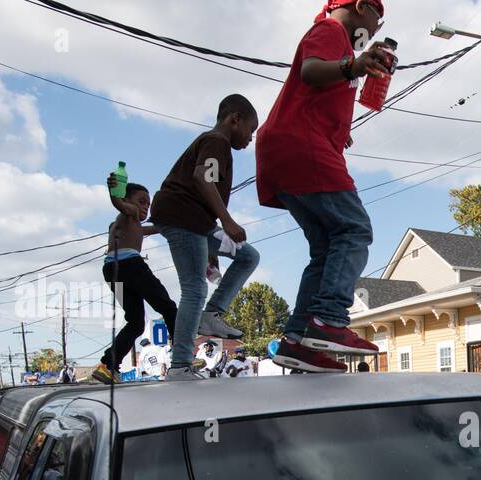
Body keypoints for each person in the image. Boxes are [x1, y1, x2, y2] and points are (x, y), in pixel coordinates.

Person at [258, 0, 392, 373]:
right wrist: (353, 64)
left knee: (326, 249)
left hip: (288, 148)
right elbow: (310, 71)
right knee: (354, 229)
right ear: (362, 6)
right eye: (377, 18)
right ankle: (330, 320)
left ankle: (296, 341)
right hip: (302, 145)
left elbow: (315, 95)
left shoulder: (342, 44)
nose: (378, 28)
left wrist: (339, 131)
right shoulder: (331, 31)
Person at [151, 94, 261, 380]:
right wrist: (227, 220)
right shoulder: (217, 141)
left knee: (248, 255)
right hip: (183, 218)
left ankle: (211, 315)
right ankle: (180, 366)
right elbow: (203, 178)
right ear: (234, 119)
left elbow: (199, 184)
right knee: (194, 289)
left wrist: (211, 244)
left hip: (194, 222)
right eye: (251, 129)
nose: (251, 138)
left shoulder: (216, 144)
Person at [91, 181, 176, 385]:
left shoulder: (132, 224)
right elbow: (120, 205)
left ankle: (108, 366)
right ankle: (183, 356)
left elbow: (155, 229)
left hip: (112, 270)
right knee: (168, 307)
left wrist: (174, 222)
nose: (144, 207)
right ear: (128, 200)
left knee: (136, 323)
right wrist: (114, 193)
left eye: (148, 205)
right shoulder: (127, 214)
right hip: (130, 265)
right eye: (141, 202)